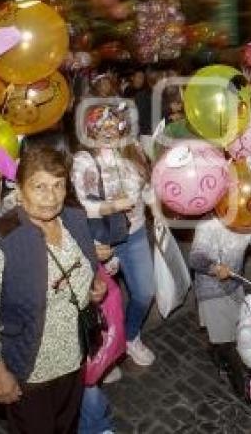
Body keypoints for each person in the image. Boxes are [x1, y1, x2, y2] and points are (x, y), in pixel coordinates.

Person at [0, 146, 106, 433]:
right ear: (19, 188)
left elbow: (85, 266)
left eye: (58, 186)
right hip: (31, 367)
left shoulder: (74, 219)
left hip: (74, 354)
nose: (51, 197)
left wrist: (92, 288)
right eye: (39, 186)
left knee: (67, 426)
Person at [71, 103, 157, 369]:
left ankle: (130, 337)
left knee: (144, 294)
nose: (108, 132)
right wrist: (110, 206)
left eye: (113, 126)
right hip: (100, 240)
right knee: (101, 302)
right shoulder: (83, 160)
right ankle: (104, 352)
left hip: (135, 234)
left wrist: (159, 203)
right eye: (101, 127)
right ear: (90, 131)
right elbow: (80, 204)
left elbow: (146, 190)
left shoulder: (134, 151)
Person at [188, 217, 251, 396]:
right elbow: (196, 258)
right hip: (211, 293)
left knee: (241, 330)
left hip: (235, 286)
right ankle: (235, 377)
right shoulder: (207, 226)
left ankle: (217, 350)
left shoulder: (245, 218)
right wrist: (214, 268)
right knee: (227, 342)